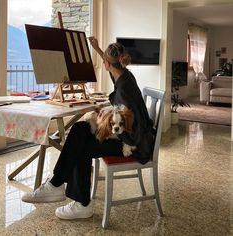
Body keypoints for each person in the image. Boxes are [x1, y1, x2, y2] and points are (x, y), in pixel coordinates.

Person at [21, 37, 155, 220]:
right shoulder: (125, 75)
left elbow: (132, 130)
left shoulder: (124, 90)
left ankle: (77, 200)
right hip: (132, 137)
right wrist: (98, 48)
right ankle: (57, 185)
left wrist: (105, 127)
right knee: (80, 129)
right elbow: (111, 65)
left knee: (81, 146)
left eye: (105, 62)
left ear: (107, 64)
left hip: (133, 144)